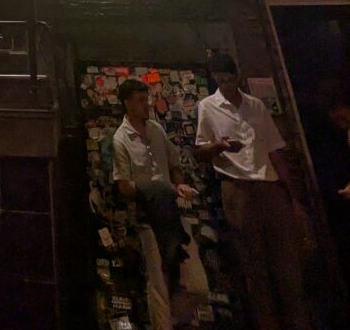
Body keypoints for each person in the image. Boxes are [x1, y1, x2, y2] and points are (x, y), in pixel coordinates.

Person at [195, 54, 313, 330]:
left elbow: (275, 151)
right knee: (254, 265)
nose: (225, 85)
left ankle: (298, 321)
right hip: (237, 188)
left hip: (269, 186)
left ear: (237, 77)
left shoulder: (256, 106)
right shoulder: (207, 107)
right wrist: (220, 146)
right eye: (220, 81)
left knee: (287, 263)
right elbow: (200, 150)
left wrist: (293, 198)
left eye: (229, 80)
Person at [113, 78, 208, 330]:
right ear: (127, 103)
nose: (146, 105)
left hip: (173, 214)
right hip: (148, 217)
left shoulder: (156, 129)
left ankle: (181, 319)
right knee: (160, 285)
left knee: (197, 284)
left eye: (147, 99)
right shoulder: (121, 139)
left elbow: (173, 162)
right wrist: (152, 190)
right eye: (140, 100)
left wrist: (179, 184)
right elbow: (123, 184)